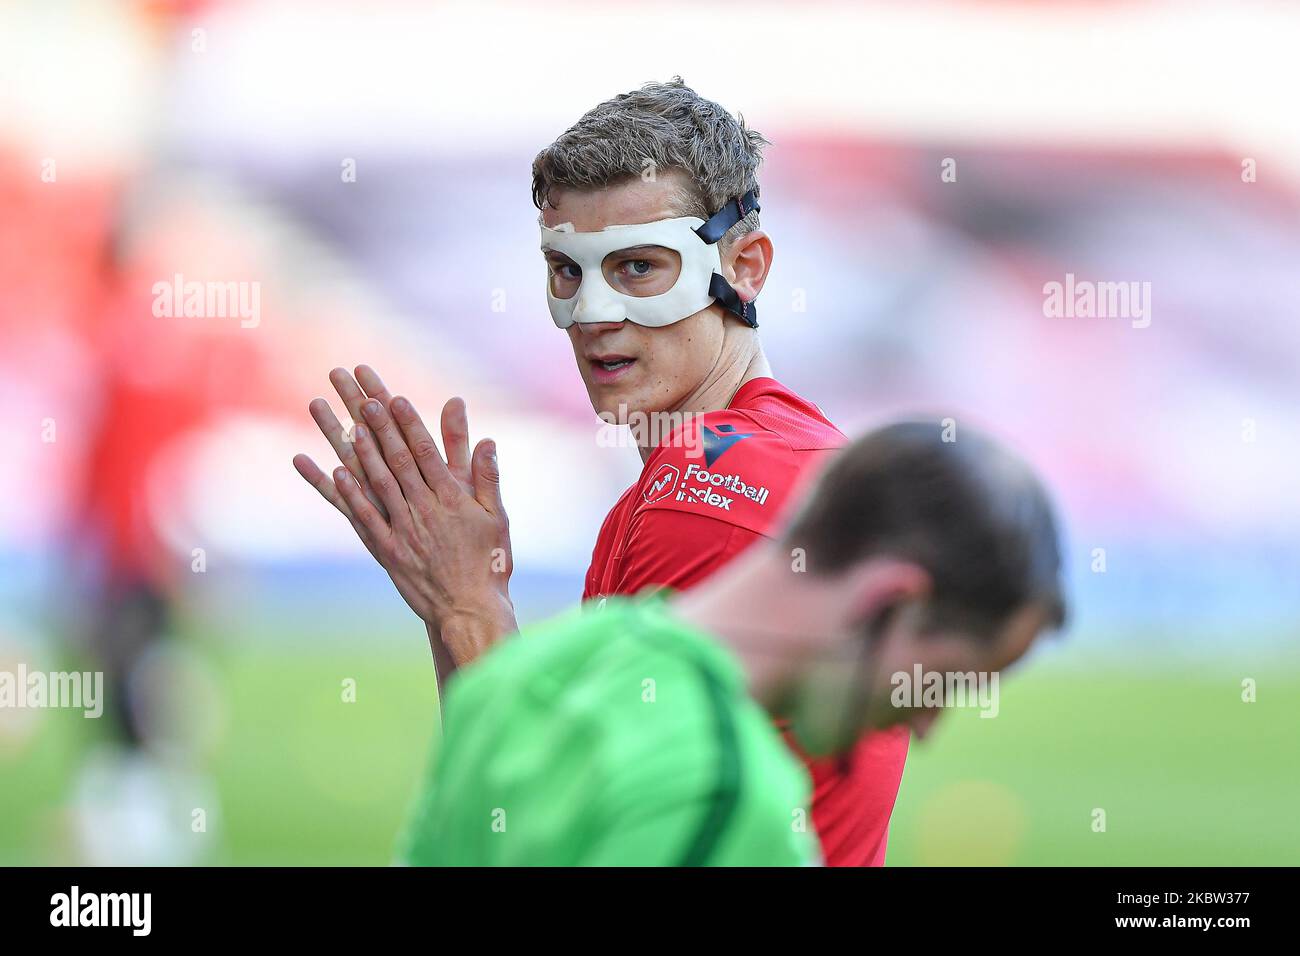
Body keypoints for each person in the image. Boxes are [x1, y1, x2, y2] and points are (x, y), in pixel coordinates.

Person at [293, 78, 909, 865]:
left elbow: (554, 827)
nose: (593, 314)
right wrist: (460, 610)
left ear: (744, 267)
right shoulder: (778, 453)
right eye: (567, 271)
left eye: (639, 268)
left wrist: (467, 607)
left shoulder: (709, 490)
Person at [400, 422, 1068, 865]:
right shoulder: (731, 796)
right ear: (889, 601)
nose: (925, 726)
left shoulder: (537, 664)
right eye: (946, 681)